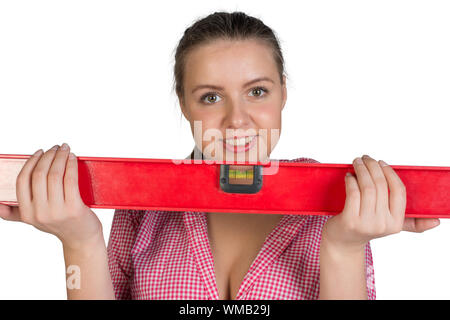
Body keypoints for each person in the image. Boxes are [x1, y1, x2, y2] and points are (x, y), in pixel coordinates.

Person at [0, 11, 440, 300]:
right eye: (211, 97)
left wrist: (344, 248)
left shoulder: (341, 207)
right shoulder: (143, 208)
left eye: (257, 91)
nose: (237, 121)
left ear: (284, 92)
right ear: (184, 103)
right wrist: (79, 241)